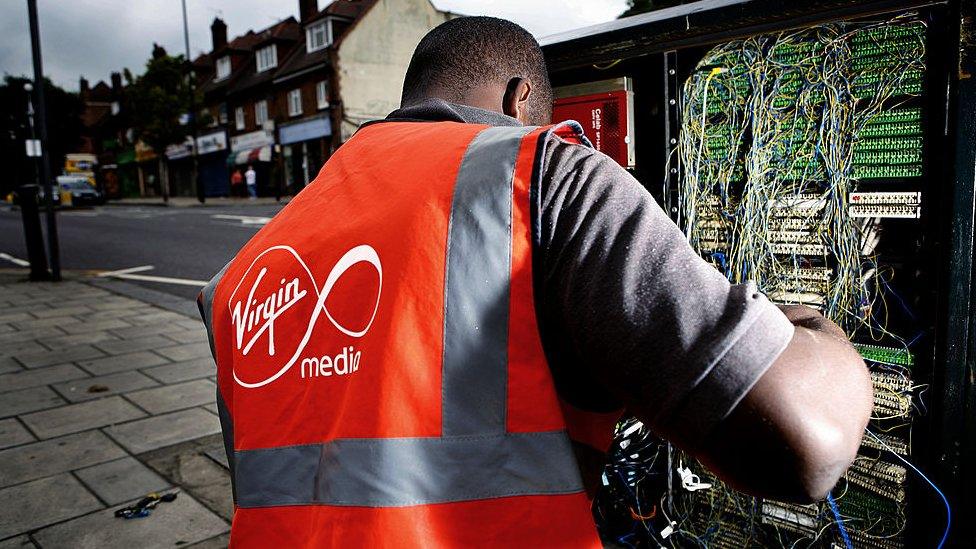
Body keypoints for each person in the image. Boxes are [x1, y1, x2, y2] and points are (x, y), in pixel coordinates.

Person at [198, 16, 872, 548]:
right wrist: (814, 327)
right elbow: (808, 445)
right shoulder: (537, 173)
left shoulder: (240, 273)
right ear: (522, 100)